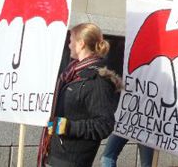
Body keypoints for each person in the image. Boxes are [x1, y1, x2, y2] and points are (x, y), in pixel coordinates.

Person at [38, 23, 122, 167]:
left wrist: (67, 127)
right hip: (55, 154)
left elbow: (104, 125)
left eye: (70, 40)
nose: (69, 45)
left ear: (81, 44)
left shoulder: (97, 80)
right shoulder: (72, 74)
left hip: (72, 160)